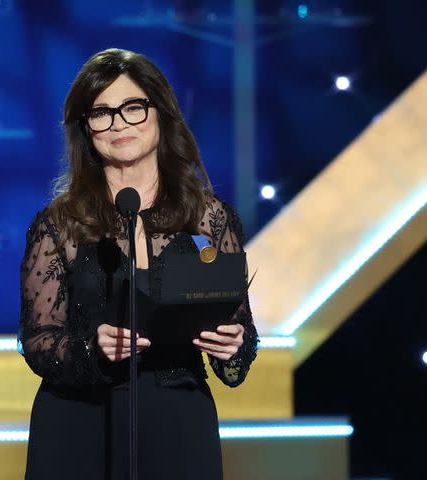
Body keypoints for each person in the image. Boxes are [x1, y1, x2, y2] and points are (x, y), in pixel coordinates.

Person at [19, 48, 258, 480]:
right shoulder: (60, 225)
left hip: (177, 415)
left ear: (160, 113)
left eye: (132, 107)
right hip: (81, 420)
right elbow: (38, 341)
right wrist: (93, 348)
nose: (119, 124)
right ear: (85, 129)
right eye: (102, 113)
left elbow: (239, 326)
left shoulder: (210, 218)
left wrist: (233, 344)